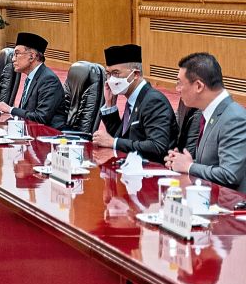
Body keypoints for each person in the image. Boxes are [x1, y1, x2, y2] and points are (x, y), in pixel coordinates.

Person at [164, 52, 246, 192]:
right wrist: (183, 161)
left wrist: (189, 166)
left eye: (179, 83)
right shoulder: (210, 113)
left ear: (198, 86)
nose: (177, 89)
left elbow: (230, 175)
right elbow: (213, 164)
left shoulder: (234, 118)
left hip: (231, 205)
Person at [91, 44, 174, 162]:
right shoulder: (132, 99)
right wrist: (110, 107)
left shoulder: (153, 101)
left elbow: (157, 147)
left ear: (135, 74)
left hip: (153, 172)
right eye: (108, 74)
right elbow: (123, 139)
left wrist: (113, 142)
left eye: (116, 73)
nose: (110, 80)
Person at [0, 32, 68, 128]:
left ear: (32, 56)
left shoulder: (48, 80)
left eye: (17, 54)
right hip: (31, 130)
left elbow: (41, 118)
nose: (13, 59)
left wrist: (10, 109)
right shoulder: (32, 78)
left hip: (50, 135)